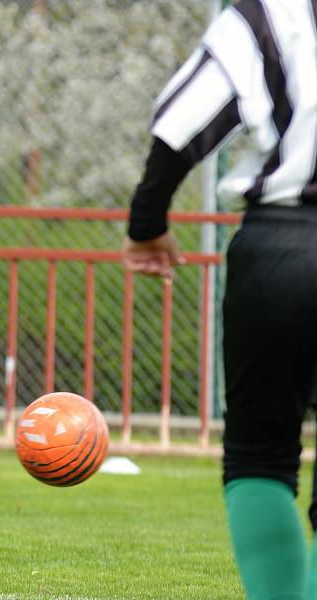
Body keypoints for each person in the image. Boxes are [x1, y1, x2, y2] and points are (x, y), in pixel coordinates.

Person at [121, 1, 317, 597]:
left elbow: (183, 121)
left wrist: (146, 221)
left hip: (281, 246)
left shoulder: (271, 14)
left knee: (260, 454)